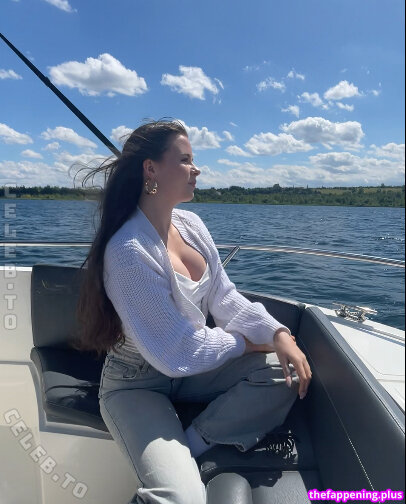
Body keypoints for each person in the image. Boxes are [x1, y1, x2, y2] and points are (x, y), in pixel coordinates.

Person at [75, 118, 312, 504]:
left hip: (191, 370)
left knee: (286, 371)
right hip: (138, 381)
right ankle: (179, 470)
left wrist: (277, 334)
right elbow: (176, 350)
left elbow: (225, 297)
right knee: (181, 498)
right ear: (151, 169)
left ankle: (194, 443)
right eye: (185, 160)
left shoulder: (192, 225)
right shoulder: (129, 250)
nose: (196, 169)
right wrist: (247, 344)